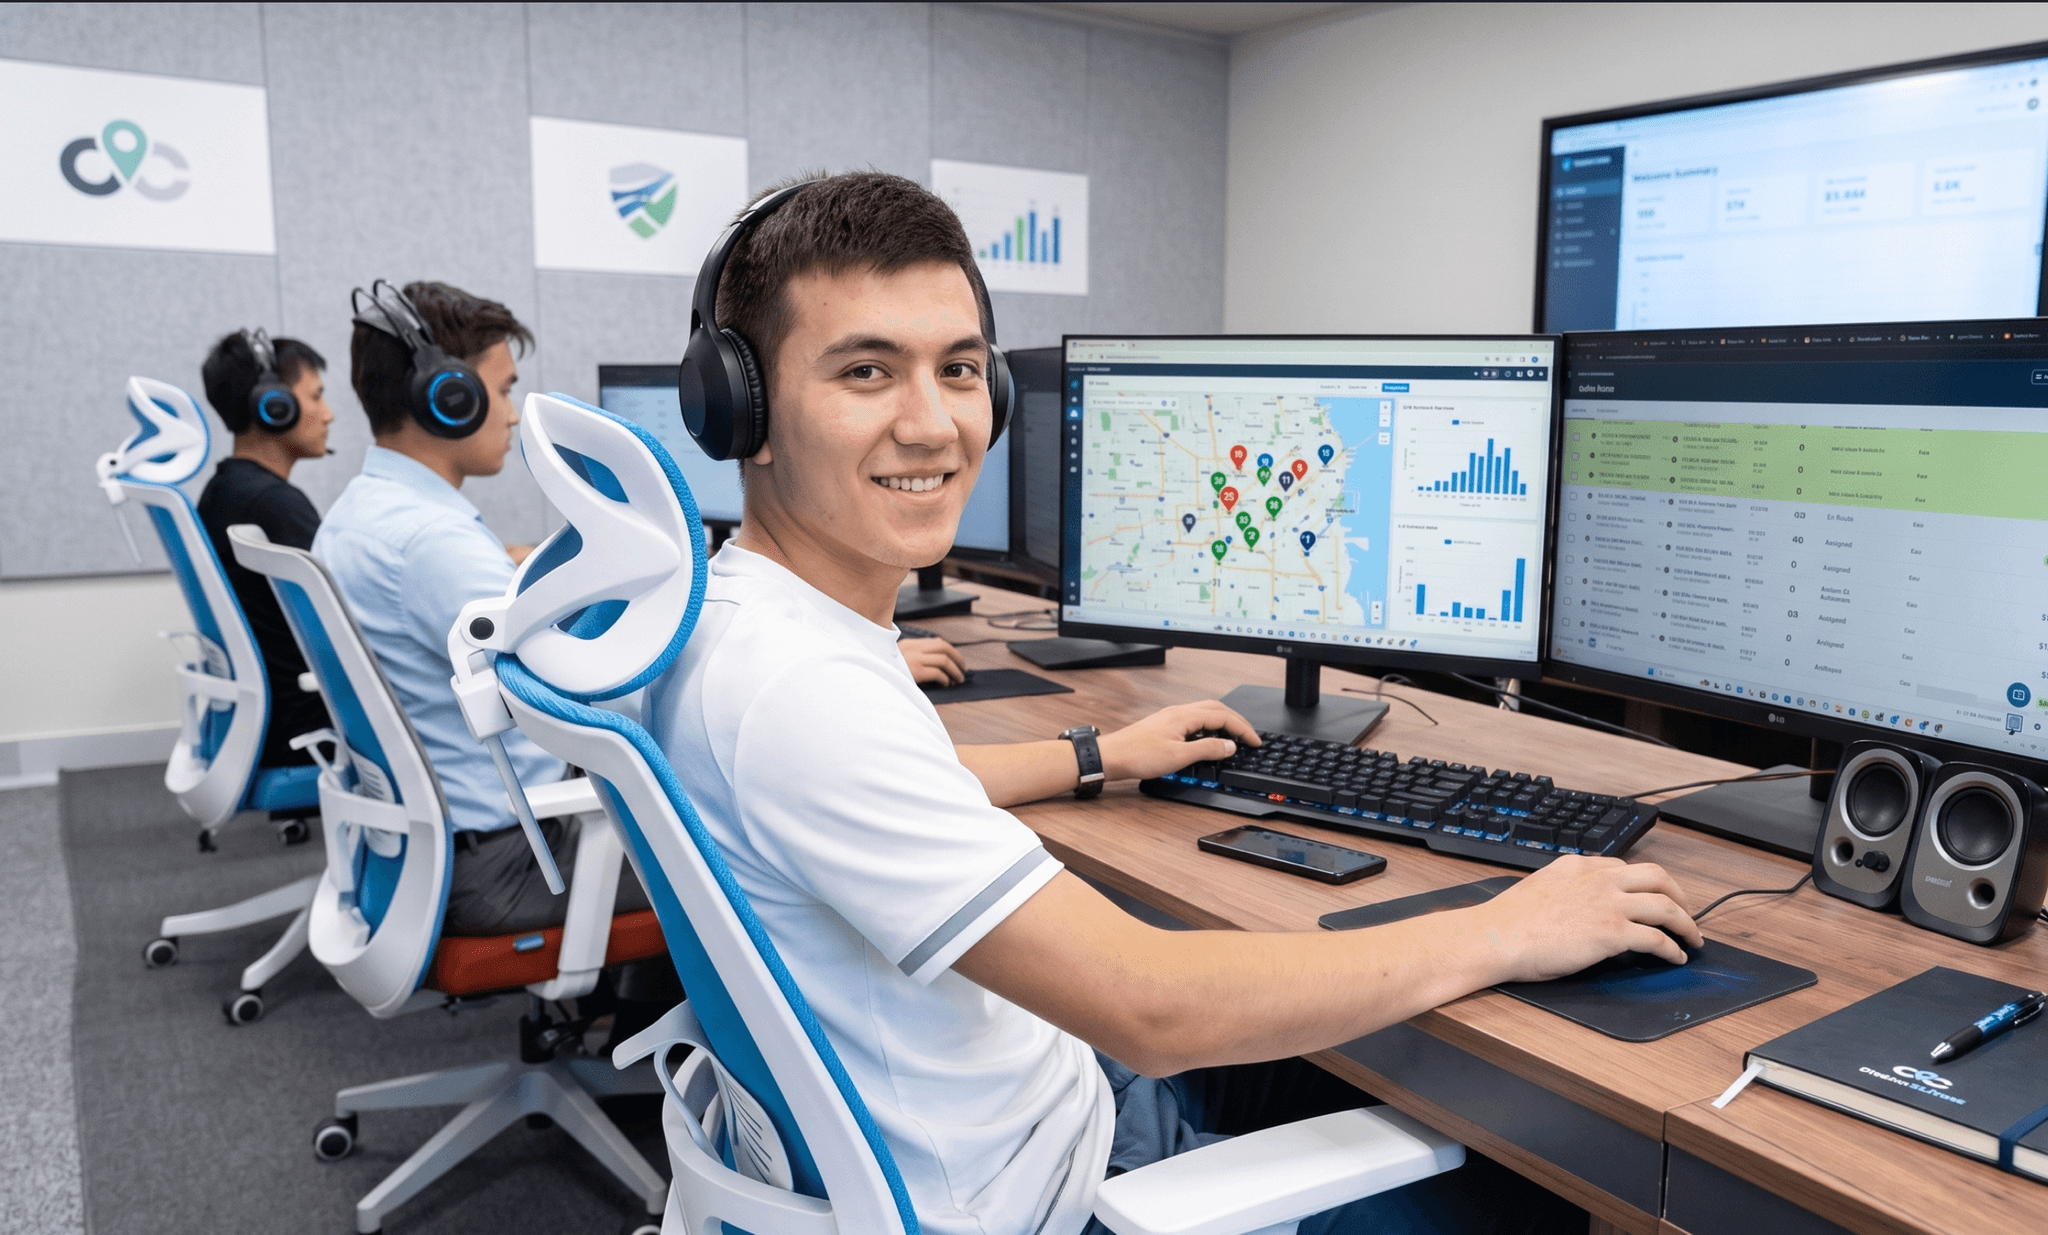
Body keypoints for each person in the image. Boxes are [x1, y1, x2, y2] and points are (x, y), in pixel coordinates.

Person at [646, 171, 1701, 1235]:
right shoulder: (805, 694)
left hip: (1013, 1104)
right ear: (745, 412)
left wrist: (1095, 755)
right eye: (866, 371)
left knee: (1388, 1062)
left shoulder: (748, 625)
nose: (932, 423)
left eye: (958, 369)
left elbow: (897, 787)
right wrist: (1502, 926)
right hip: (1055, 1189)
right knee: (1539, 1185)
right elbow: (1148, 1005)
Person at [313, 281, 648, 936]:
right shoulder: (432, 544)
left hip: (431, 847)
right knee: (749, 858)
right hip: (510, 860)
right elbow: (594, 686)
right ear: (448, 399)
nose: (515, 413)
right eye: (501, 390)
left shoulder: (360, 516)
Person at [196, 330, 335, 767]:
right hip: (313, 726)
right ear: (275, 407)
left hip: (272, 718)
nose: (328, 415)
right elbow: (352, 615)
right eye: (316, 397)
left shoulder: (223, 491)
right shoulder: (272, 505)